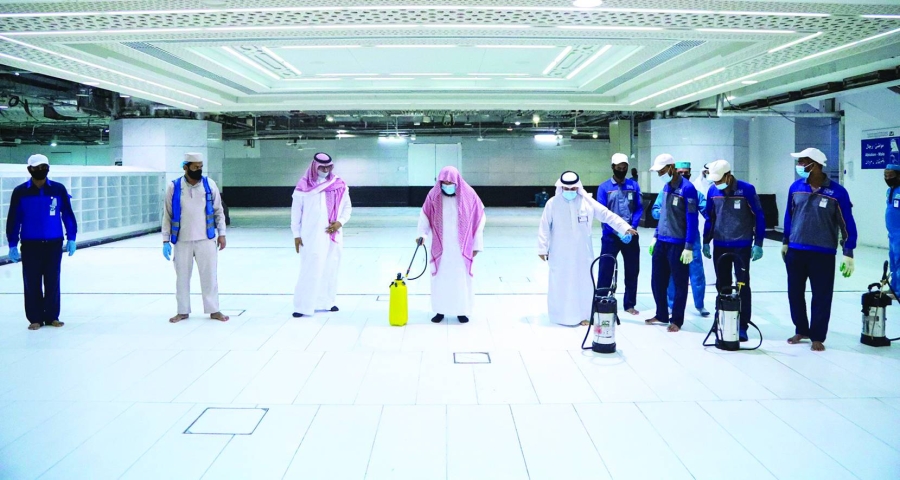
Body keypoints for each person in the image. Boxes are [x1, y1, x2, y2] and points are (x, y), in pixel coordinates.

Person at [783, 147, 857, 351]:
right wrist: (785, 241)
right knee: (795, 293)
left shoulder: (837, 192)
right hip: (796, 250)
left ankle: (817, 335)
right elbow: (789, 216)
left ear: (814, 165)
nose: (799, 166)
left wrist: (848, 251)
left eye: (802, 162)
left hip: (822, 253)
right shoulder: (795, 187)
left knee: (821, 295)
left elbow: (846, 223)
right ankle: (801, 329)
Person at [539, 171, 636, 326]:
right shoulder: (552, 203)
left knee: (584, 284)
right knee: (561, 283)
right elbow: (544, 226)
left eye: (573, 189)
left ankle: (584, 315)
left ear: (578, 187)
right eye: (566, 189)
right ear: (561, 187)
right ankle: (560, 316)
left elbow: (606, 214)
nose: (570, 191)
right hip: (560, 253)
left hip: (582, 253)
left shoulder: (586, 202)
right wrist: (542, 248)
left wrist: (624, 227)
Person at [5, 154, 77, 330]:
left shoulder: (58, 189)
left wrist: (72, 237)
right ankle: (35, 318)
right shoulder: (20, 192)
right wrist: (12, 243)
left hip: (53, 243)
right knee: (32, 282)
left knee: (53, 280)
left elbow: (67, 214)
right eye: (36, 168)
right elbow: (14, 218)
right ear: (29, 169)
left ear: (48, 168)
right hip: (31, 244)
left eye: (44, 167)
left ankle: (52, 316)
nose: (40, 170)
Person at [702, 160, 766, 341]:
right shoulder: (712, 191)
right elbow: (710, 218)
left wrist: (758, 242)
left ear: (728, 176)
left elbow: (759, 215)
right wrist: (706, 241)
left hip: (741, 245)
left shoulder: (747, 190)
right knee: (722, 285)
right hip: (720, 244)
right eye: (714, 180)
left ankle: (742, 325)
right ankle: (722, 320)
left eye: (719, 180)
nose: (717, 183)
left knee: (742, 285)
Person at [162, 152, 229, 323]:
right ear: (185, 167)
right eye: (195, 167)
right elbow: (167, 214)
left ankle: (214, 310)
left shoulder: (209, 184)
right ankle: (182, 311)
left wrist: (222, 234)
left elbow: (218, 211)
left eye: (200, 167)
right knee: (182, 277)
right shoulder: (174, 187)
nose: (198, 170)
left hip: (206, 239)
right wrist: (165, 240)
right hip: (181, 240)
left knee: (210, 276)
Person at [417, 166, 485, 324]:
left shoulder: (469, 195)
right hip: (441, 247)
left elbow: (480, 219)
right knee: (440, 279)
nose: (447, 185)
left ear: (457, 181)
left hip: (462, 248)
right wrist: (422, 235)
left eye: (450, 182)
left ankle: (462, 311)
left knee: (461, 280)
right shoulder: (433, 195)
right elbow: (424, 216)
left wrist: (476, 245)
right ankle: (440, 310)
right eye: (444, 182)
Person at [291, 152, 352, 317]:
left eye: (328, 167)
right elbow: (296, 213)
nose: (325, 170)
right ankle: (303, 306)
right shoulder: (303, 187)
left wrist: (340, 222)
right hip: (310, 236)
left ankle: (327, 302)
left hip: (334, 235)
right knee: (310, 269)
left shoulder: (339, 184)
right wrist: (296, 234)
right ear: (314, 167)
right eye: (322, 167)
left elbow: (347, 208)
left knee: (331, 268)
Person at [645, 154, 700, 332]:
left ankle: (677, 319)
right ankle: (661, 314)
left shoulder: (688, 189)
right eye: (658, 172)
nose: (660, 174)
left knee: (679, 283)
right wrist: (655, 236)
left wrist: (689, 246)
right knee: (657, 281)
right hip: (662, 241)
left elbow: (692, 219)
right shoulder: (666, 187)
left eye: (662, 171)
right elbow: (663, 215)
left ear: (671, 167)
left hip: (678, 243)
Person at [652, 161, 709, 317]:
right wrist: (662, 219)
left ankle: (700, 305)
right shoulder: (666, 189)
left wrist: (711, 233)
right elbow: (656, 210)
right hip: (671, 238)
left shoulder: (693, 191)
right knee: (672, 275)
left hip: (691, 240)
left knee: (697, 273)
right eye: (681, 172)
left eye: (686, 172)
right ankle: (671, 305)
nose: (684, 175)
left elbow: (706, 213)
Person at [596, 153, 643, 315]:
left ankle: (629, 304)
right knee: (606, 269)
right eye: (618, 168)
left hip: (631, 234)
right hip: (611, 236)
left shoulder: (633, 186)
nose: (621, 170)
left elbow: (638, 208)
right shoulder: (604, 188)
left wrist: (632, 227)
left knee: (632, 270)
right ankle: (601, 300)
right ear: (613, 167)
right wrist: (618, 231)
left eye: (624, 168)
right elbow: (602, 213)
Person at [886, 163, 900, 295]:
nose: (887, 178)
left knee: (899, 260)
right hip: (892, 233)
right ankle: (894, 287)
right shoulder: (890, 191)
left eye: (890, 175)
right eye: (885, 175)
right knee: (893, 260)